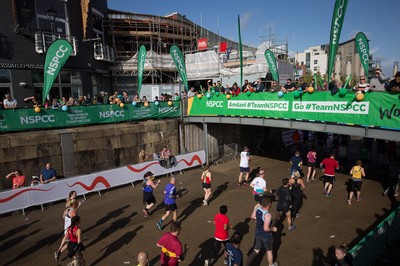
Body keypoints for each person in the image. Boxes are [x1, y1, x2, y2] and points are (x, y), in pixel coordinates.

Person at [246, 197, 278, 266]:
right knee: (269, 251)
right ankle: (271, 265)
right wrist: (273, 229)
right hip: (266, 236)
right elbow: (266, 229)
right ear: (269, 205)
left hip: (257, 233)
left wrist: (258, 219)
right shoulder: (267, 215)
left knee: (256, 250)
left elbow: (252, 216)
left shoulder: (258, 209)